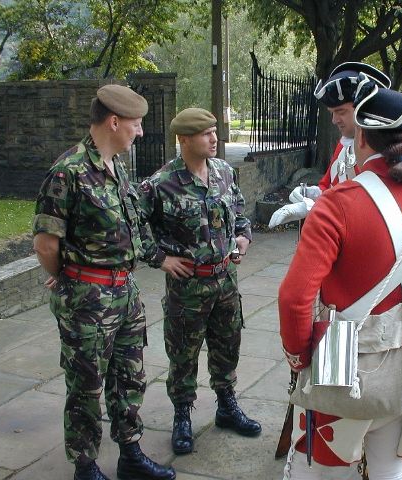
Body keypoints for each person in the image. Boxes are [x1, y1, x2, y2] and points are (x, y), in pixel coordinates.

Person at [278, 81, 402, 479]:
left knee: (323, 471)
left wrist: (300, 356)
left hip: (341, 355)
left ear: (362, 138)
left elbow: (294, 298)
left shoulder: (337, 204)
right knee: (390, 468)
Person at [32, 84, 175, 480]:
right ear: (114, 121)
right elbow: (46, 243)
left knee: (129, 376)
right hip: (88, 299)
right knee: (86, 385)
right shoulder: (69, 171)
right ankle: (86, 465)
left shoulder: (117, 168)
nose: (141, 132)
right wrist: (64, 277)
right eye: (137, 124)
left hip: (125, 293)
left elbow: (133, 227)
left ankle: (130, 454)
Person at [138, 107, 261, 456]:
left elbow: (238, 210)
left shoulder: (222, 171)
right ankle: (182, 417)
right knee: (183, 356)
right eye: (206, 133)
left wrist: (243, 238)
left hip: (225, 281)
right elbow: (132, 224)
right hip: (187, 289)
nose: (214, 138)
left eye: (214, 132)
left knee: (227, 347)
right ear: (185, 139)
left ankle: (226, 406)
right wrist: (160, 258)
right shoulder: (161, 183)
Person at [268, 62, 390, 228]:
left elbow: (366, 206)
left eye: (341, 112)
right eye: (332, 113)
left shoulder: (388, 151)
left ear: (364, 108)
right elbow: (330, 186)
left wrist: (313, 207)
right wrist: (313, 194)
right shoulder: (345, 144)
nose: (334, 120)